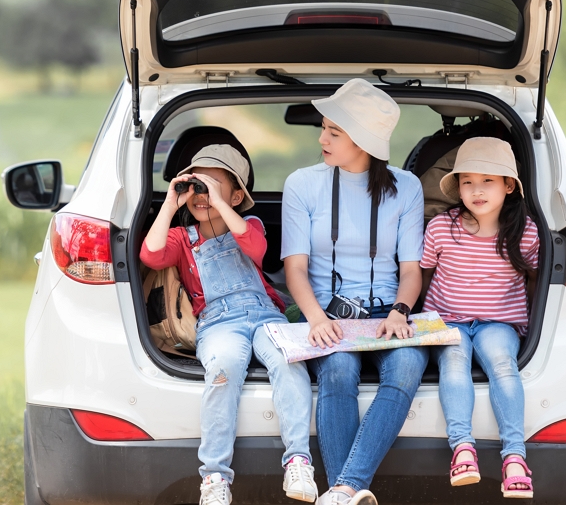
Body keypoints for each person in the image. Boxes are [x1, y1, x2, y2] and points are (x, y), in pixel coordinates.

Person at [141, 144, 318, 505]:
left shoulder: (248, 224)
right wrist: (171, 204)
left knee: (290, 362)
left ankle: (298, 460)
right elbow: (151, 254)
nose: (201, 194)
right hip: (219, 322)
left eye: (212, 184)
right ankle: (215, 477)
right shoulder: (183, 239)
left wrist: (220, 204)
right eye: (196, 185)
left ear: (237, 195)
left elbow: (255, 248)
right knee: (222, 371)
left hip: (265, 314)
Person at [281, 79, 426, 505]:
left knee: (406, 368)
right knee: (339, 370)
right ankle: (346, 492)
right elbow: (295, 270)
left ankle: (342, 489)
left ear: (363, 141)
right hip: (327, 314)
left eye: (334, 132)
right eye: (322, 128)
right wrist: (316, 319)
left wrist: (400, 311)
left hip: (388, 314)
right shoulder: (302, 184)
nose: (322, 138)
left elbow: (411, 271)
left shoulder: (407, 188)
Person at [420, 137, 538, 499]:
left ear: (509, 186)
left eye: (488, 180)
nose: (476, 190)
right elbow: (424, 276)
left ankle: (515, 457)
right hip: (447, 321)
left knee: (503, 364)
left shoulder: (526, 232)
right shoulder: (442, 227)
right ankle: (463, 449)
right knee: (454, 363)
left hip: (498, 322)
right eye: (467, 181)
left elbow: (535, 283)